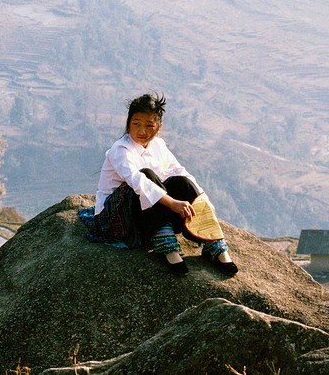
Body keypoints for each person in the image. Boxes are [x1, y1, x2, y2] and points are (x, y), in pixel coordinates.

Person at [88, 92, 238, 276]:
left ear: (159, 127)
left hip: (146, 214)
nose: (142, 131)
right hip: (117, 218)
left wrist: (203, 202)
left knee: (181, 181)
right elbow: (138, 181)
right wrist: (173, 204)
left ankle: (211, 240)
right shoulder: (120, 150)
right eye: (136, 124)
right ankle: (165, 242)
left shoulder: (158, 145)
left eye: (149, 125)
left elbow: (178, 171)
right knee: (146, 175)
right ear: (128, 124)